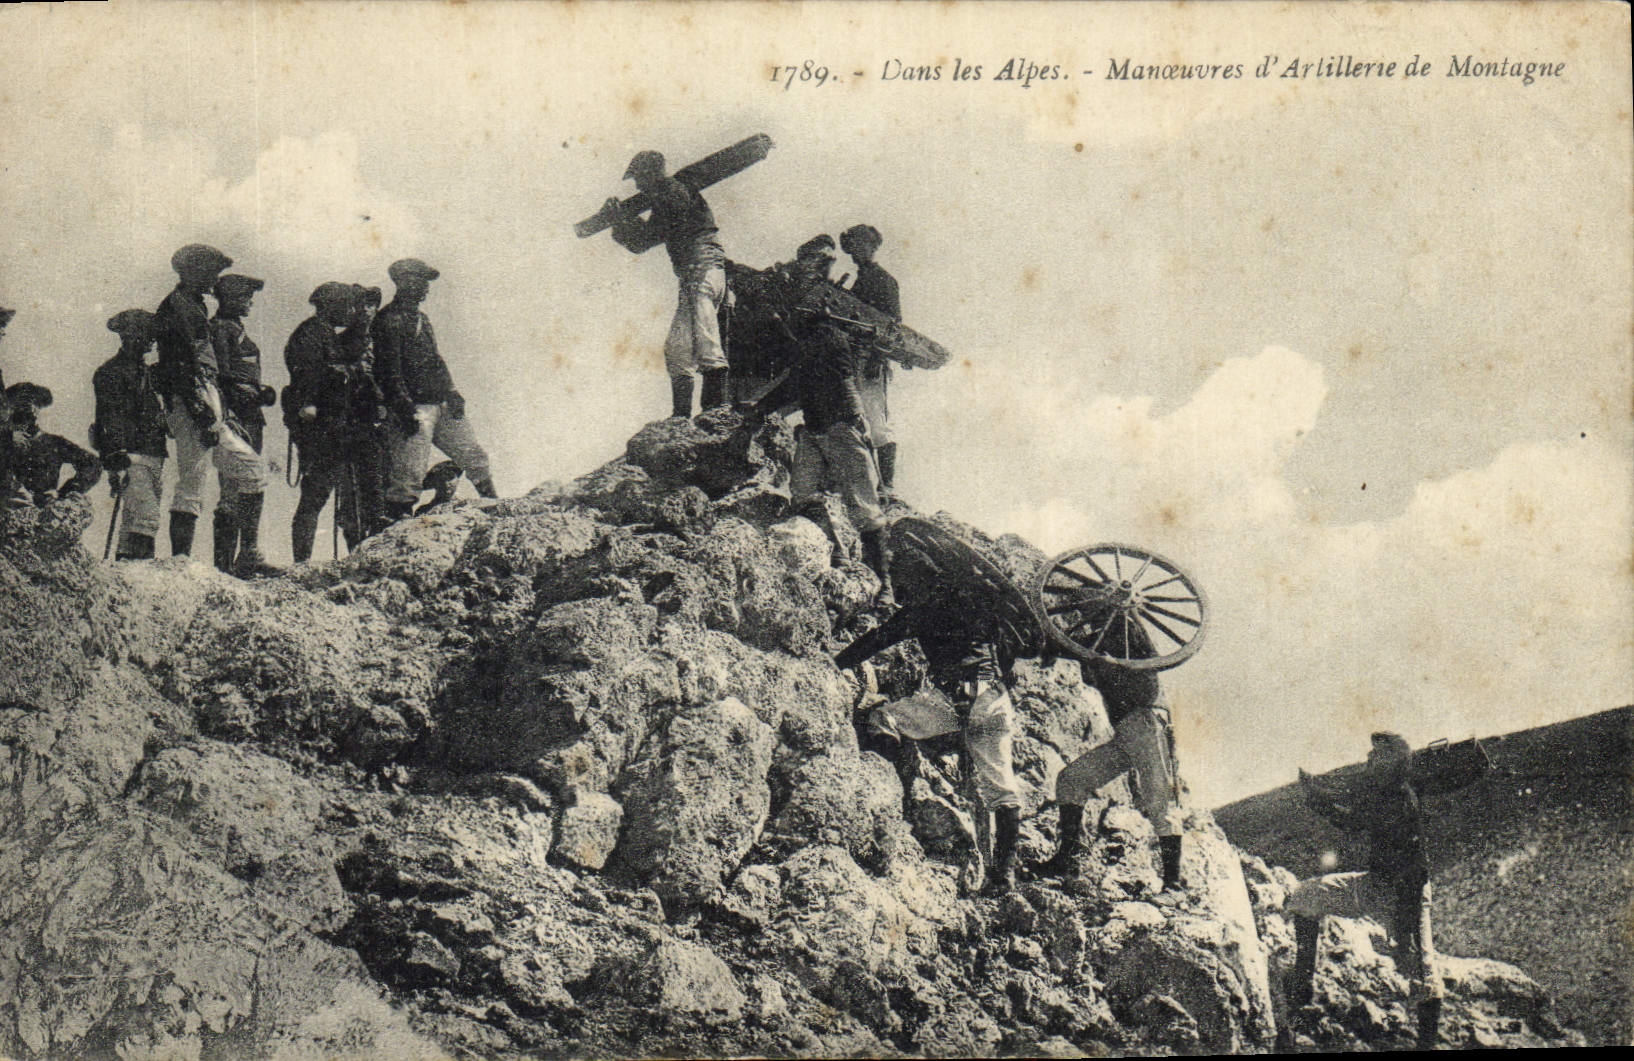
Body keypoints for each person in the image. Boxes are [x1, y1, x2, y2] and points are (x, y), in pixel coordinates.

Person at [837, 606, 1024, 896]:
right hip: (993, 700)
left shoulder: (922, 608)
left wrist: (836, 662)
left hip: (950, 701)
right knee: (1003, 788)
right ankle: (1003, 876)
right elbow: (1012, 655)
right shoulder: (986, 604)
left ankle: (891, 786)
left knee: (883, 718)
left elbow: (878, 639)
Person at [749, 235, 892, 600]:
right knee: (802, 493)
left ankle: (884, 585)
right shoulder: (809, 343)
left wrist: (857, 419)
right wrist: (761, 410)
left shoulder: (829, 337)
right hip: (814, 430)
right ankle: (840, 555)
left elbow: (845, 380)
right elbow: (793, 386)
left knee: (864, 506)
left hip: (840, 427)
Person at [1285, 732, 1445, 1045]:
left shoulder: (1400, 800)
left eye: (1377, 755)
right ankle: (1303, 988)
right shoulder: (1384, 793)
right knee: (1305, 896)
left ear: (1392, 763)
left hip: (1405, 895)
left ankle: (1427, 1043)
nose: (1369, 759)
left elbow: (1412, 870)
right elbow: (1353, 821)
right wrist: (1319, 799)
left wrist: (1404, 928)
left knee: (1422, 971)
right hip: (1375, 884)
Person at [153, 244, 276, 576]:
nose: (214, 279)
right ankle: (181, 562)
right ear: (191, 272)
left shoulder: (191, 305)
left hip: (207, 399)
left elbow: (206, 368)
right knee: (192, 482)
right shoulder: (175, 307)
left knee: (252, 470)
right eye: (210, 272)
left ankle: (248, 554)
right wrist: (201, 411)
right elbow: (177, 368)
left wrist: (222, 412)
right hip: (190, 400)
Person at [1037, 633, 1185, 897]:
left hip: (1146, 722)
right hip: (1126, 732)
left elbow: (1151, 674)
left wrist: (1114, 665)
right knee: (1071, 780)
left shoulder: (1127, 625)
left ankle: (1174, 885)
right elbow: (1069, 644)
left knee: (1160, 800)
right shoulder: (1098, 634)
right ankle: (1067, 862)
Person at [607, 150, 731, 418]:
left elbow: (645, 239)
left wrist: (621, 220)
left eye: (639, 178)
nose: (638, 185)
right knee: (679, 348)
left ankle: (715, 409)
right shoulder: (670, 193)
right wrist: (623, 221)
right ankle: (685, 415)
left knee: (704, 339)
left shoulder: (670, 192)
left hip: (702, 268)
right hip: (699, 272)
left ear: (651, 173)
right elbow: (648, 236)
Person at [373, 258, 496, 522]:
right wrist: (403, 406)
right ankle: (399, 522)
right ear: (404, 282)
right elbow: (388, 369)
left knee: (473, 454)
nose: (426, 288)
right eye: (420, 282)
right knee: (409, 471)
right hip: (415, 407)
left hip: (438, 402)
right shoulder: (388, 320)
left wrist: (451, 391)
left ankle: (493, 504)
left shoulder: (422, 319)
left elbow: (435, 359)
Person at [208, 274, 276, 573]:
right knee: (236, 486)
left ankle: (241, 559)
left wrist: (261, 393)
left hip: (250, 416)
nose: (250, 301)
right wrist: (252, 395)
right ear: (230, 298)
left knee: (242, 485)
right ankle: (235, 561)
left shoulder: (234, 328)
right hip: (235, 415)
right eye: (245, 296)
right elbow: (221, 376)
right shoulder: (220, 329)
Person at [91, 310, 170, 560]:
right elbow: (109, 417)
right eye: (142, 336)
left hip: (153, 453)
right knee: (146, 518)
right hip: (130, 455)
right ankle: (141, 576)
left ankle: (127, 577)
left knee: (132, 521)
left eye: (149, 337)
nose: (148, 343)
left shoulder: (148, 373)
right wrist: (116, 457)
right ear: (127, 337)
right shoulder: (111, 372)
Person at [840, 224, 903, 493]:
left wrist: (879, 356)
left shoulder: (884, 281)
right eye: (853, 245)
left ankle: (887, 485)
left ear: (873, 246)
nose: (857, 249)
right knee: (853, 418)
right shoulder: (858, 281)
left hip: (871, 360)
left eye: (862, 244)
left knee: (877, 421)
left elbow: (894, 325)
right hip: (851, 357)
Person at [335, 284, 388, 546]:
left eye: (371, 304)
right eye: (362, 305)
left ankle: (378, 539)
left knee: (382, 483)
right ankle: (354, 546)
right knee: (351, 489)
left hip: (381, 420)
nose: (366, 311)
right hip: (351, 420)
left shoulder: (383, 339)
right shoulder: (340, 342)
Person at [5, 382, 101, 504]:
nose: (27, 417)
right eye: (18, 410)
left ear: (38, 410)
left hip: (46, 513)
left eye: (31, 410)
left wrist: (66, 493)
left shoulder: (54, 443)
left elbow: (93, 464)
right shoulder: (5, 443)